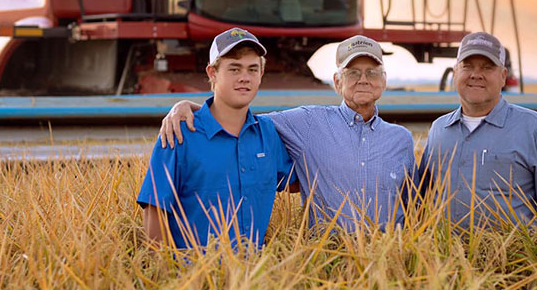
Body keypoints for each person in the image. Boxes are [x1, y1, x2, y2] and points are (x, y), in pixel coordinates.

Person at [159, 35, 415, 231]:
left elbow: (413, 209)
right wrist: (189, 107)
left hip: (389, 263)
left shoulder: (401, 140)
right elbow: (240, 120)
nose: (363, 79)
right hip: (327, 263)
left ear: (384, 81)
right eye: (353, 73)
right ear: (337, 82)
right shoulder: (308, 122)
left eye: (372, 72)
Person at [138, 27, 295, 251]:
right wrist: (163, 272)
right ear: (212, 73)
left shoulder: (268, 133)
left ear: (261, 75)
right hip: (194, 277)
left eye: (252, 69)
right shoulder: (180, 134)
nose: (244, 77)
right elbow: (155, 209)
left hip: (255, 279)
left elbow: (299, 182)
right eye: (234, 68)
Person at [419, 31, 537, 231]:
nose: (476, 74)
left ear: (503, 76)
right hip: (446, 260)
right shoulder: (439, 129)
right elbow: (423, 199)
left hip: (511, 258)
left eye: (487, 67)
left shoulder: (534, 128)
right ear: (455, 72)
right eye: (467, 66)